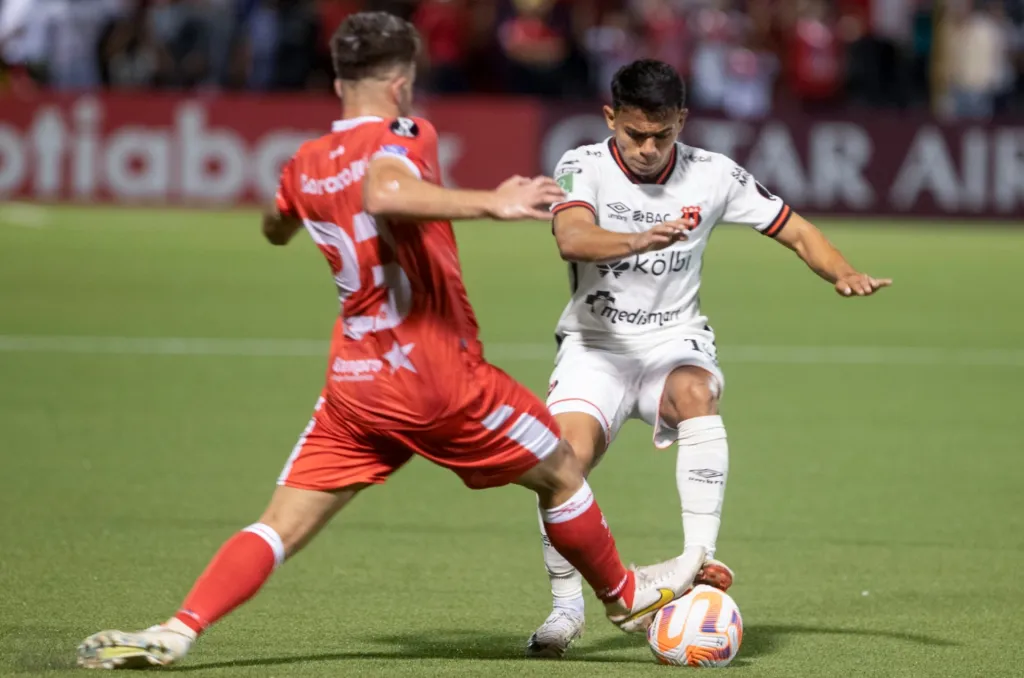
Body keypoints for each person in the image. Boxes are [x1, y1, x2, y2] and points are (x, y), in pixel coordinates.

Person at [75, 14, 712, 671]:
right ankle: (625, 595)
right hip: (438, 377)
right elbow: (384, 189)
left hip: (358, 385)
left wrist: (289, 211)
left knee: (279, 525)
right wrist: (491, 203)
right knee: (561, 471)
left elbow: (274, 224)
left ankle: (178, 629)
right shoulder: (406, 132)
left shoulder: (305, 163)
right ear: (403, 84)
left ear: (337, 80)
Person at [526, 58, 891, 658]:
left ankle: (698, 558)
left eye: (662, 135)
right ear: (610, 118)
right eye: (635, 134)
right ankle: (565, 610)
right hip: (596, 348)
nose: (647, 148)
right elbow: (572, 237)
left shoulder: (714, 174)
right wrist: (644, 237)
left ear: (682, 121)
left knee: (697, 391)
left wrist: (842, 271)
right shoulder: (581, 164)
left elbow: (793, 228)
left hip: (675, 340)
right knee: (561, 465)